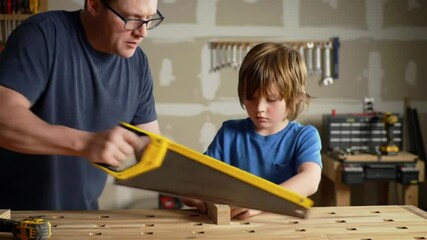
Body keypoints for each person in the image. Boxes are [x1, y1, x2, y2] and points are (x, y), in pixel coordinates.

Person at [0, 0, 164, 210]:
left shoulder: (138, 64)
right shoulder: (43, 34)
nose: (143, 32)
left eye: (149, 19)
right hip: (14, 220)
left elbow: (152, 145)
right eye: (132, 19)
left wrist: (195, 190)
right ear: (94, 5)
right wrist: (86, 143)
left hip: (81, 219)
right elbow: (3, 118)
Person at [183, 42, 322, 219]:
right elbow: (197, 178)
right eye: (251, 98)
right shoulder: (229, 133)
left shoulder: (304, 136)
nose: (260, 108)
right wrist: (192, 194)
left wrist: (260, 203)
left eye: (271, 99)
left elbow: (310, 180)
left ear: (295, 98)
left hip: (284, 227)